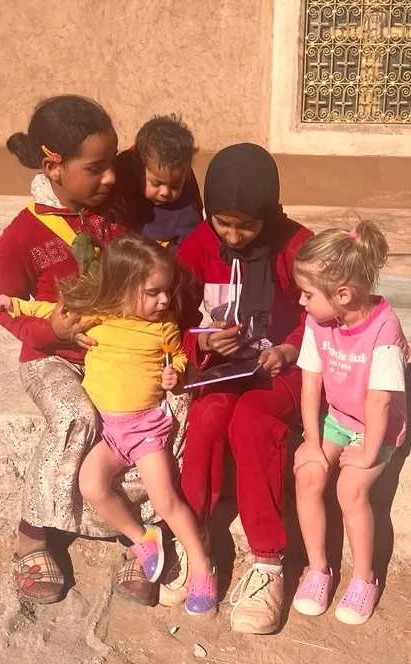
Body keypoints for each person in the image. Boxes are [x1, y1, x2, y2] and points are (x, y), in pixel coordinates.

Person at [0, 94, 185, 607]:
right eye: (95, 169)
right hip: (53, 359)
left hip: (114, 356)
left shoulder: (114, 220)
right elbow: (0, 302)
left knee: (155, 414)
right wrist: (50, 330)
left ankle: (138, 537)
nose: (112, 178)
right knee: (76, 415)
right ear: (53, 167)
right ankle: (32, 536)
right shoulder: (25, 233)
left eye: (112, 164)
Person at [0, 235, 217, 616]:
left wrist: (174, 374)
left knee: (166, 500)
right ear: (123, 290)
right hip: (108, 432)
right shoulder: (99, 317)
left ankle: (201, 567)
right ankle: (140, 538)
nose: (164, 301)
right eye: (154, 293)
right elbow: (51, 309)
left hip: (146, 431)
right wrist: (14, 303)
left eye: (167, 292)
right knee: (91, 485)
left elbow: (177, 357)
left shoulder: (163, 327)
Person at [165, 143, 313, 635]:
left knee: (252, 422)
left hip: (282, 372)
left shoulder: (296, 249)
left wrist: (290, 348)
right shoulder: (197, 247)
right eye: (222, 222)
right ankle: (193, 538)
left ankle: (268, 562)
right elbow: (170, 318)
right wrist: (203, 340)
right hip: (222, 367)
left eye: (246, 225)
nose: (233, 235)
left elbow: (326, 317)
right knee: (208, 419)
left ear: (268, 212)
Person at [290, 221, 410, 625]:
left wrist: (369, 454)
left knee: (350, 488)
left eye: (307, 294)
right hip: (337, 420)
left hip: (379, 428)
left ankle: (364, 578)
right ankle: (318, 568)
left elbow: (380, 401)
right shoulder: (318, 322)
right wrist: (311, 439)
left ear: (343, 294)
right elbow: (311, 381)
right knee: (308, 474)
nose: (301, 302)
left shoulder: (383, 329)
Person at [115, 114, 202, 248]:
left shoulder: (187, 212)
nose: (165, 192)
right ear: (139, 171)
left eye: (175, 185)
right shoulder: (123, 188)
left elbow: (189, 250)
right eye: (156, 183)